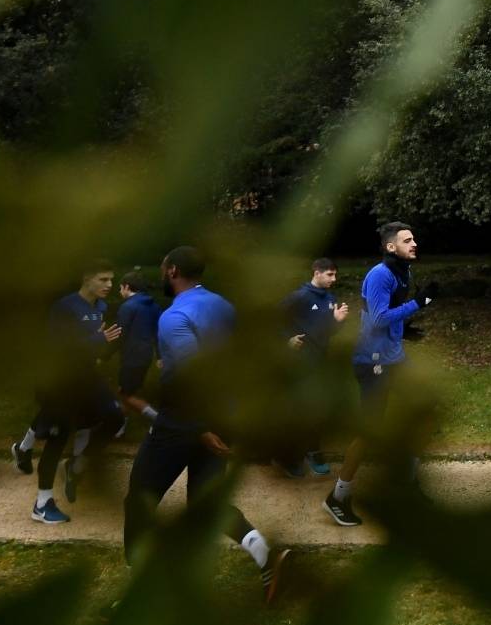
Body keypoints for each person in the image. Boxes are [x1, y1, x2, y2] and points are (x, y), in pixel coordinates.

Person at [123, 246, 290, 604]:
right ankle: (266, 556)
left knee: (139, 499)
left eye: (163, 267)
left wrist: (199, 428)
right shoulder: (223, 306)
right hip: (222, 416)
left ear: (171, 271)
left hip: (186, 420)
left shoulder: (173, 317)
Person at [323, 222, 436, 527]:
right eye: (407, 240)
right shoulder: (380, 274)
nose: (415, 243)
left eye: (414, 238)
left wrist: (405, 331)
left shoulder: (402, 271)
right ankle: (338, 496)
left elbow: (390, 313)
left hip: (392, 356)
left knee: (424, 409)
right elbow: (377, 318)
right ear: (390, 247)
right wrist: (419, 303)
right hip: (371, 360)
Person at [23, 262, 124, 524]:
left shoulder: (101, 308)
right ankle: (42, 504)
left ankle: (76, 466)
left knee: (115, 418)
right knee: (59, 436)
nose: (109, 285)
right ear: (87, 278)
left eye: (111, 280)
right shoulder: (64, 307)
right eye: (103, 279)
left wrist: (104, 347)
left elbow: (95, 346)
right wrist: (99, 341)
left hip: (87, 376)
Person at [279, 256, 349, 476]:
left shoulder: (330, 298)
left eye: (335, 274)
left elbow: (326, 332)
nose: (333, 278)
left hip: (319, 364)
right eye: (329, 274)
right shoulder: (299, 297)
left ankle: (313, 451)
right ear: (316, 273)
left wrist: (337, 321)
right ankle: (288, 459)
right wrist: (287, 340)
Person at [116, 269, 162, 429]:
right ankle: (118, 428)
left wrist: (104, 355)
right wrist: (160, 356)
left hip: (131, 356)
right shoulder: (154, 306)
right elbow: (159, 332)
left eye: (120, 287)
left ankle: (159, 422)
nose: (119, 291)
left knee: (124, 394)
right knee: (128, 392)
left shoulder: (128, 307)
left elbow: (119, 335)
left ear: (126, 287)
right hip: (146, 355)